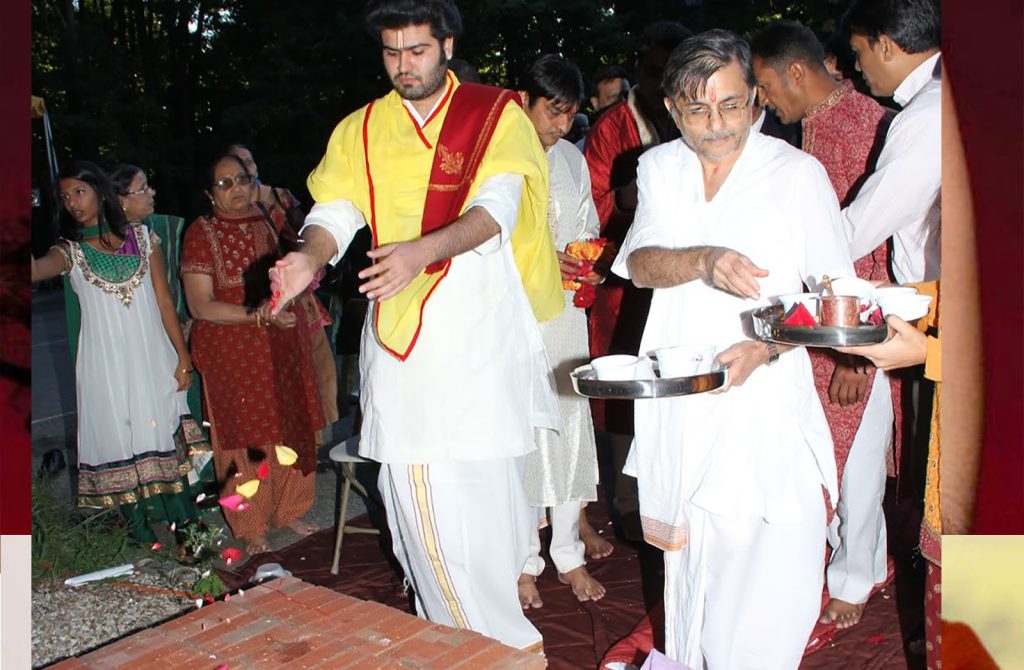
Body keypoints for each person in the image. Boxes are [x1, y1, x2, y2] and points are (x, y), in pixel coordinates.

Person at [265, 0, 562, 652]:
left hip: (479, 331)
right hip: (404, 340)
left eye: (418, 51)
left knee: (476, 499)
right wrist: (308, 257)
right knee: (421, 505)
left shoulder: (493, 116)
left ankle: (488, 648)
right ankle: (487, 649)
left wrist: (418, 253)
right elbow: (336, 211)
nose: (404, 65)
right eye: (392, 52)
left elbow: (497, 210)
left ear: (447, 45)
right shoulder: (362, 129)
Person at [611, 31, 856, 667]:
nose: (716, 125)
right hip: (680, 400)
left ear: (756, 99)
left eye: (730, 105)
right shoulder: (659, 168)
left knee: (770, 571)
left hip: (764, 405)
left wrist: (764, 347)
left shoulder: (798, 176)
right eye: (697, 110)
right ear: (671, 109)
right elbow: (638, 263)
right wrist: (703, 260)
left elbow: (834, 299)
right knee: (693, 575)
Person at [750, 19, 897, 630]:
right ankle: (864, 561)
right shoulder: (818, 126)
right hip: (825, 327)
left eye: (762, 86)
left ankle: (854, 578)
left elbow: (861, 254)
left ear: (795, 72)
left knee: (855, 455)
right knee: (834, 453)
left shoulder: (855, 125)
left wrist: (854, 354)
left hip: (855, 329)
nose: (763, 101)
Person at [30, 160, 203, 547]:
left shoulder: (142, 239)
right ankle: (142, 538)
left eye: (80, 191)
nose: (73, 202)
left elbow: (164, 302)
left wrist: (182, 355)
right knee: (119, 441)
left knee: (162, 441)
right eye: (65, 197)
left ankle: (190, 534)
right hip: (103, 367)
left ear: (100, 191)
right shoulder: (69, 251)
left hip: (153, 359)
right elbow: (37, 270)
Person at [180, 153, 325, 556]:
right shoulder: (201, 232)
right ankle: (250, 524)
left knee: (290, 423)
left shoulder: (264, 220)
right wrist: (257, 317)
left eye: (241, 180)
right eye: (224, 184)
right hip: (230, 350)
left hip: (276, 343)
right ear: (210, 194)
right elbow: (201, 305)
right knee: (241, 438)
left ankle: (289, 509)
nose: (236, 189)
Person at [584, 20, 691, 541]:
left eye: (667, 74)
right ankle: (627, 498)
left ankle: (674, 488)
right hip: (624, 283)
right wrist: (626, 199)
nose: (656, 84)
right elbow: (589, 207)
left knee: (681, 378)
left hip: (683, 279)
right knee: (627, 379)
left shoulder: (692, 119)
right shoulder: (611, 129)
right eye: (649, 72)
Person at [515, 54, 605, 609]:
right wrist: (544, 258)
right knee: (525, 430)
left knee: (571, 422)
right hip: (520, 312)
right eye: (552, 112)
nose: (560, 127)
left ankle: (567, 552)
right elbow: (489, 240)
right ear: (522, 100)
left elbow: (588, 220)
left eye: (569, 116)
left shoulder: (572, 157)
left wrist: (586, 254)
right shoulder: (501, 156)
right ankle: (522, 560)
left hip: (569, 314)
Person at [227, 144, 339, 436]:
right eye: (237, 163)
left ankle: (314, 441)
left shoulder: (279, 198)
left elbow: (307, 237)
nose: (245, 168)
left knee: (317, 372)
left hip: (299, 292)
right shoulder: (226, 210)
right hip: (259, 302)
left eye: (248, 161)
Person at [841, 0, 941, 285]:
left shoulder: (927, 115)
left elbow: (858, 230)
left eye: (858, 52)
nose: (858, 66)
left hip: (942, 310)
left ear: (884, 47)